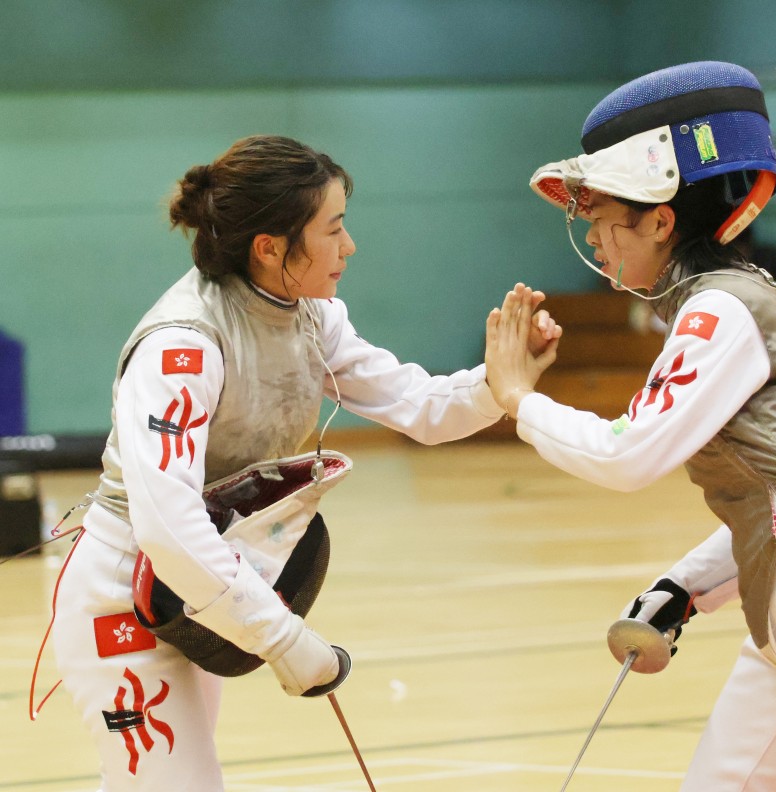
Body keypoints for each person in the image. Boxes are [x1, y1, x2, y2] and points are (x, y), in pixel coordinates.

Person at [48, 134, 560, 791]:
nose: (349, 247)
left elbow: (418, 405)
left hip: (198, 590)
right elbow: (167, 525)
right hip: (124, 596)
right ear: (270, 246)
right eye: (333, 230)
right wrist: (283, 640)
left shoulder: (313, 317)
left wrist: (501, 383)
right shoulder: (184, 346)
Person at [484, 62, 776, 790]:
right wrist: (683, 587)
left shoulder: (721, 309)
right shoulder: (722, 303)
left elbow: (628, 456)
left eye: (603, 225)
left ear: (661, 220)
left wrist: (519, 400)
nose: (596, 246)